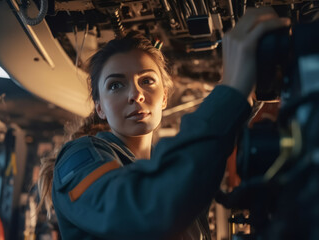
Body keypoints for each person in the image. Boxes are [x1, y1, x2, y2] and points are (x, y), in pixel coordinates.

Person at [37, 7, 290, 240]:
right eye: (116, 85)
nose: (135, 94)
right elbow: (143, 210)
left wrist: (249, 92)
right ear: (99, 107)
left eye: (147, 80)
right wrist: (230, 88)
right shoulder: (79, 156)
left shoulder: (168, 167)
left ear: (165, 97)